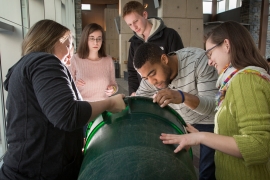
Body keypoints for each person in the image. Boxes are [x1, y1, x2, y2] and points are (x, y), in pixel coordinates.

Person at [0, 19, 125, 180]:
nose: (71, 51)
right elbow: (67, 114)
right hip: (36, 173)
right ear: (51, 39)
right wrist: (110, 103)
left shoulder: (26, 66)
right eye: (68, 44)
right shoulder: (45, 62)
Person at [160, 21, 270, 180]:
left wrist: (201, 137)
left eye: (210, 53)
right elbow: (235, 132)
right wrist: (199, 134)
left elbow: (259, 147)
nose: (209, 62)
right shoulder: (233, 81)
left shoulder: (246, 80)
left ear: (226, 45)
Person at [134, 43, 218, 180]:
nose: (152, 82)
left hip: (208, 121)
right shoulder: (150, 81)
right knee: (171, 164)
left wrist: (182, 96)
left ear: (164, 59)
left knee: (207, 173)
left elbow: (212, 107)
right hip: (181, 121)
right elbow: (139, 102)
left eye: (152, 74)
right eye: (145, 78)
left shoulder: (198, 60)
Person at [123, 1, 184, 96]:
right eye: (130, 24)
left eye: (135, 21)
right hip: (145, 96)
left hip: (170, 96)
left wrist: (173, 94)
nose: (134, 27)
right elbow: (132, 71)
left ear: (144, 14)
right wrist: (133, 92)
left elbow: (179, 66)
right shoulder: (134, 43)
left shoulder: (169, 35)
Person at [68, 23, 118, 102]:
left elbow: (114, 84)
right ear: (85, 39)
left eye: (99, 38)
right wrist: (75, 84)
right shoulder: (75, 59)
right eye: (92, 38)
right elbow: (66, 86)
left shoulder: (108, 60)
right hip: (83, 107)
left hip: (104, 106)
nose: (96, 42)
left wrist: (113, 90)